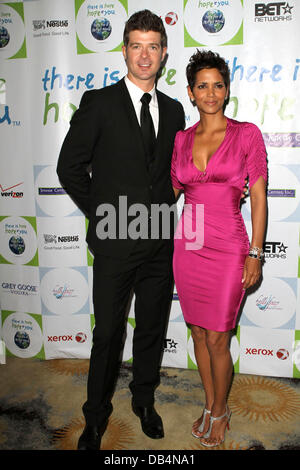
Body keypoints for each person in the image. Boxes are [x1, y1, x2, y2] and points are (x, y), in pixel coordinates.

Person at [57, 10, 185, 450]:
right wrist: (102, 213)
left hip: (160, 242)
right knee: (108, 333)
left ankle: (144, 400)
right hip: (114, 242)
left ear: (163, 53)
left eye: (153, 46)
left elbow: (172, 173)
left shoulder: (173, 110)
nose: (145, 54)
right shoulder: (100, 102)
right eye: (136, 45)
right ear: (125, 50)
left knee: (151, 326)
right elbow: (69, 167)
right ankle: (95, 416)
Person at [171, 50, 267, 447]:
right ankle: (210, 404)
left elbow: (258, 198)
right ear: (191, 93)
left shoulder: (247, 134)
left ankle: (222, 409)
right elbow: (168, 191)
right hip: (188, 243)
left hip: (229, 243)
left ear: (226, 90)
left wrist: (256, 253)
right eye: (202, 86)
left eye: (218, 85)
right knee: (196, 333)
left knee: (217, 338)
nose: (211, 93)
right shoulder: (181, 139)